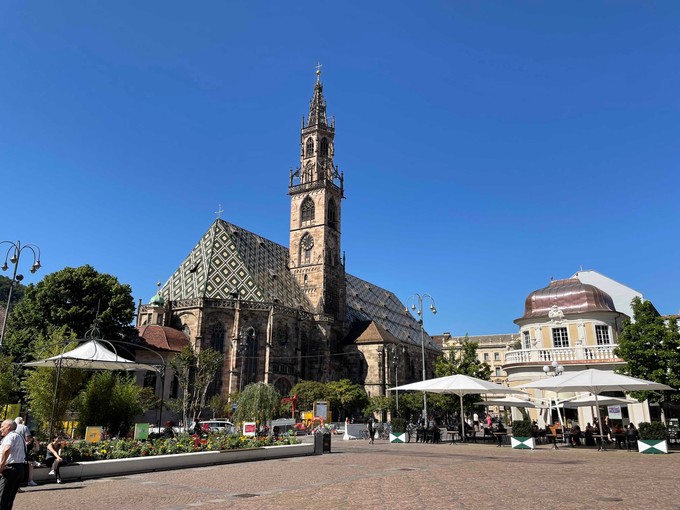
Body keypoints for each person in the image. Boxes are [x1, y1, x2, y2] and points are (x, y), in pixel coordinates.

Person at [1, 419, 26, 509]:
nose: (0, 429)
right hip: (19, 468)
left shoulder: (10, 436)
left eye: (2, 426)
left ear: (8, 427)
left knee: (2, 499)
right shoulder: (20, 437)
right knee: (9, 499)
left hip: (9, 469)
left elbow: (7, 449)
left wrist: (1, 466)